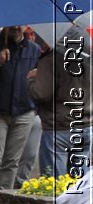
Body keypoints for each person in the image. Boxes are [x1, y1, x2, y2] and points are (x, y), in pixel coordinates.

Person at [0, 25, 42, 191]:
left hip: (24, 111)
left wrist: (35, 106)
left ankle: (5, 200)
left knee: (12, 161)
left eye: (20, 24)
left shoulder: (34, 49)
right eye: (13, 23)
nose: (16, 27)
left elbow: (40, 79)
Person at [30, 30, 93, 178]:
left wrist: (32, 79)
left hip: (58, 128)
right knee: (80, 183)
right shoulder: (89, 60)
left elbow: (40, 93)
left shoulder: (52, 60)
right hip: (85, 127)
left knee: (54, 186)